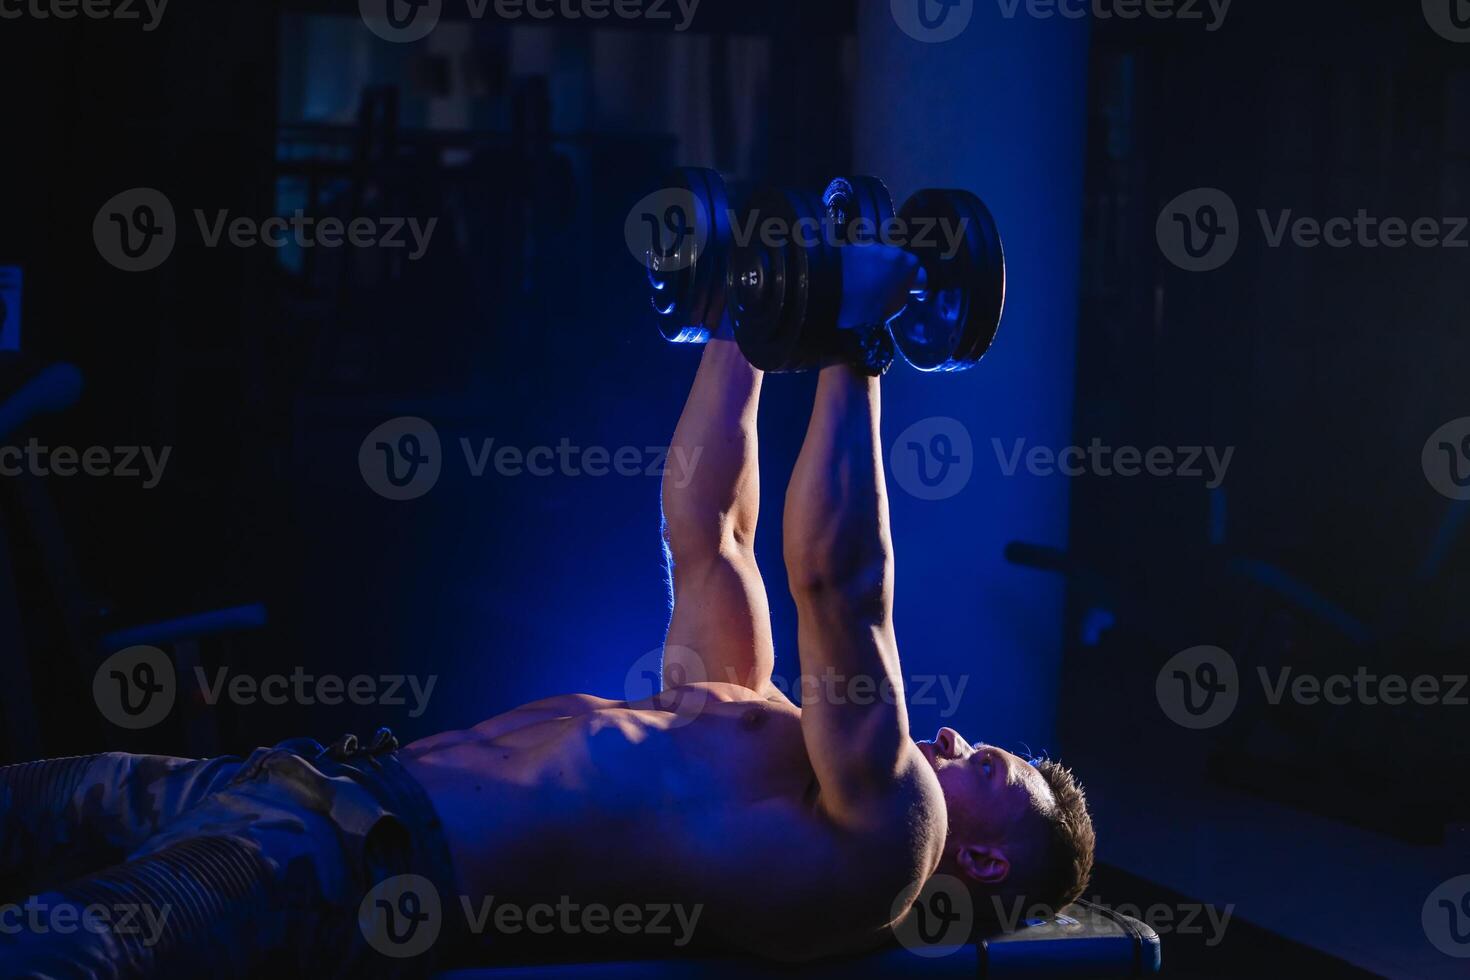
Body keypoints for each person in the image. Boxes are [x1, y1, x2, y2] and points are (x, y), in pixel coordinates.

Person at [0, 244, 1093, 978]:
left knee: (43, 951)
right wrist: (752, 324)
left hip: (336, 861)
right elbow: (708, 523)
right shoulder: (747, 708)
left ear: (986, 860)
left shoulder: (890, 845)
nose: (956, 737)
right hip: (294, 782)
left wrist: (860, 346)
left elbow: (839, 583)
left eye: (990, 764)